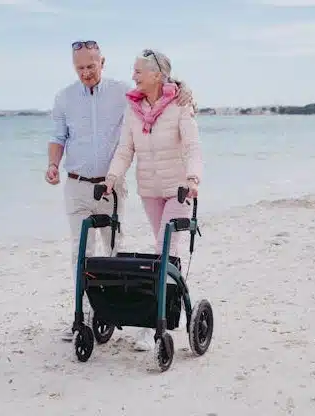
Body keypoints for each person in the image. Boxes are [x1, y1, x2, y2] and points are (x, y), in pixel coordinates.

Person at [45, 40, 195, 342]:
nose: (86, 72)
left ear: (102, 62)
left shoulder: (122, 92)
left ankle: (120, 310)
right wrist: (52, 165)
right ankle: (85, 314)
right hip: (76, 183)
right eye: (80, 68)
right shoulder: (64, 98)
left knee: (115, 251)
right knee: (81, 251)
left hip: (112, 187)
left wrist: (183, 87)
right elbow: (58, 137)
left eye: (90, 66)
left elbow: (159, 86)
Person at [103, 49, 203, 351]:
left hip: (178, 190)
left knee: (164, 249)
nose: (133, 76)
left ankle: (153, 323)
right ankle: (166, 306)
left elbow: (193, 147)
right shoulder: (133, 109)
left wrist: (193, 179)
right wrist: (111, 178)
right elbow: (124, 150)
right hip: (150, 190)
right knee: (163, 252)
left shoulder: (180, 106)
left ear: (157, 75)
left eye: (138, 71)